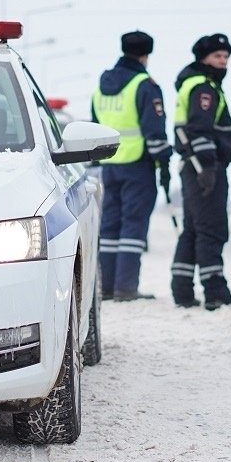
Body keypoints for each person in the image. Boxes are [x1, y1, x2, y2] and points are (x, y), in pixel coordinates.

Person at [92, 31, 173, 301]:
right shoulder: (145, 85)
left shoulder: (102, 86)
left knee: (110, 227)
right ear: (145, 55)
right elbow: (154, 130)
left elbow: (95, 125)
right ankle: (126, 288)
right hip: (138, 166)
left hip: (109, 164)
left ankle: (107, 287)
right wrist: (164, 163)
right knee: (133, 226)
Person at [170, 33, 231, 310]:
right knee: (212, 230)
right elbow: (199, 129)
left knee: (193, 229)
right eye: (217, 56)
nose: (223, 62)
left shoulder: (196, 83)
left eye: (226, 57)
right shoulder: (203, 87)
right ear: (203, 58)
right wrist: (208, 168)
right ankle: (215, 293)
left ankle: (182, 291)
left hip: (194, 167)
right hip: (205, 168)